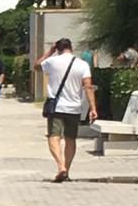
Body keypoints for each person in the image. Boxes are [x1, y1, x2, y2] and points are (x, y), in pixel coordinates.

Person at [38, 38, 97, 181]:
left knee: (54, 136)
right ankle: (67, 169)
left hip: (56, 107)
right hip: (74, 107)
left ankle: (60, 167)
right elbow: (88, 86)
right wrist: (93, 108)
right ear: (71, 48)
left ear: (57, 49)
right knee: (70, 139)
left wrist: (49, 52)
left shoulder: (52, 62)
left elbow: (36, 66)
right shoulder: (82, 64)